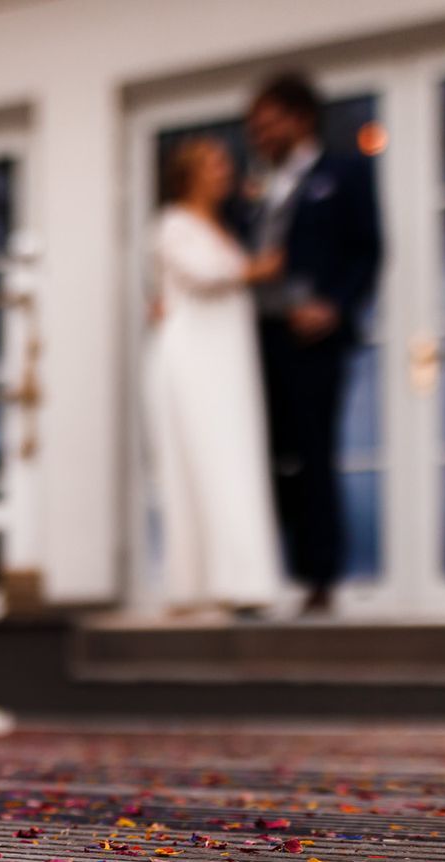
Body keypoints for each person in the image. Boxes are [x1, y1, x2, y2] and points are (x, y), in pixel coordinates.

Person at [246, 71, 383, 616]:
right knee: (266, 456)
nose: (260, 135)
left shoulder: (344, 173)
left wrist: (333, 306)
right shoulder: (258, 188)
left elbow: (368, 251)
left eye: (268, 123)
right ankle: (264, 573)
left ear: (300, 117)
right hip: (262, 338)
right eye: (255, 127)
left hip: (313, 339)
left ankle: (319, 577)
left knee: (313, 453)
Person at [143, 136, 288, 617]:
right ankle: (200, 584)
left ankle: (239, 580)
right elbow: (203, 274)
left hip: (227, 359)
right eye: (214, 162)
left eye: (226, 161)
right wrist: (258, 269)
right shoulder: (173, 224)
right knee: (202, 460)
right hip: (194, 358)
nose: (225, 169)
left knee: (234, 459)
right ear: (188, 173)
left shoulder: (227, 226)